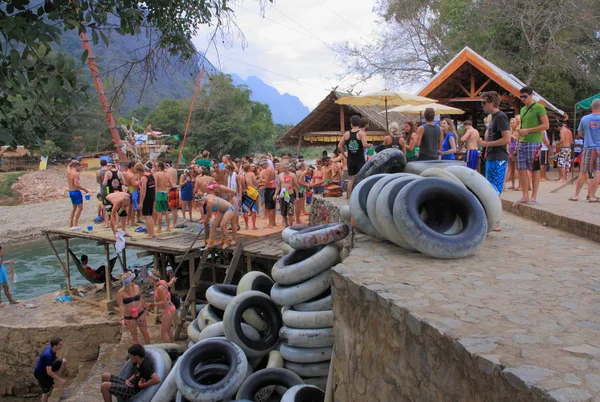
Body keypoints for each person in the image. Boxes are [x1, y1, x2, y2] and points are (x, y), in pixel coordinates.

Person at [478, 91, 510, 230]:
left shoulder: (501, 117)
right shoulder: (493, 118)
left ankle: (497, 222)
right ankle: (493, 219)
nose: (482, 105)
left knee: (495, 190)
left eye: (484, 102)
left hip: (499, 157)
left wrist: (487, 145)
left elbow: (506, 139)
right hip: (492, 156)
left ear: (492, 103)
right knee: (491, 189)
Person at [516, 86, 549, 204]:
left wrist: (529, 130)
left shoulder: (539, 108)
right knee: (521, 169)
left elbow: (546, 125)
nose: (523, 99)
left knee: (535, 169)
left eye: (525, 96)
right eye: (521, 97)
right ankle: (525, 195)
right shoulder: (522, 110)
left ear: (531, 95)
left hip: (534, 142)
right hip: (522, 142)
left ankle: (533, 196)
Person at [570, 99, 600, 202]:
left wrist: (587, 136)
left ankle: (576, 195)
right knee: (598, 172)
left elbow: (579, 134)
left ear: (592, 107)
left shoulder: (585, 119)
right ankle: (592, 196)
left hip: (588, 147)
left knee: (583, 172)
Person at [338, 115, 369, 198]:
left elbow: (339, 146)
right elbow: (364, 145)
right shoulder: (362, 133)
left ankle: (348, 197)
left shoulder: (346, 134)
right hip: (359, 159)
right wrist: (369, 145)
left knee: (351, 180)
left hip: (350, 159)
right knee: (361, 179)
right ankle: (360, 197)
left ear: (351, 124)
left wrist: (345, 155)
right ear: (359, 123)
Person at [117, 272, 150, 345]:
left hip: (140, 313)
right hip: (129, 317)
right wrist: (122, 318)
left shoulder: (136, 287)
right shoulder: (121, 292)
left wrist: (145, 309)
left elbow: (141, 298)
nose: (134, 281)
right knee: (134, 335)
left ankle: (149, 347)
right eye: (132, 280)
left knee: (145, 332)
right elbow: (121, 305)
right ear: (128, 282)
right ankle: (137, 353)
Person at [147, 270, 177, 342]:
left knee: (163, 332)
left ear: (153, 278)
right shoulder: (162, 282)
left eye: (149, 278)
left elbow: (164, 301)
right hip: (172, 308)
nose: (148, 279)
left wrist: (153, 304)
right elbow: (169, 284)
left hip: (167, 310)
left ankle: (169, 348)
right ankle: (172, 345)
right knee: (168, 329)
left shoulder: (159, 288)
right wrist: (172, 280)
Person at [34, 337, 67, 402]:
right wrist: (60, 380)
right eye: (60, 345)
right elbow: (49, 372)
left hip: (48, 367)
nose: (62, 346)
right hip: (41, 374)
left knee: (64, 361)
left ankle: (55, 380)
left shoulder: (51, 348)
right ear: (55, 346)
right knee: (47, 392)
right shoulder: (48, 355)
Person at [135, 163, 155, 239]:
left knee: (147, 216)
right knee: (150, 216)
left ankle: (150, 234)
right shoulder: (151, 175)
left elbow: (143, 191)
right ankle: (152, 233)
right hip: (151, 197)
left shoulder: (143, 178)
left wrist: (141, 202)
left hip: (146, 198)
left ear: (138, 171)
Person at [67, 161, 89, 230]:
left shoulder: (69, 172)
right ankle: (75, 224)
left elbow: (68, 166)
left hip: (70, 192)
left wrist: (72, 162)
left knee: (74, 207)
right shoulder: (76, 173)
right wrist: (84, 189)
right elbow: (76, 185)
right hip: (76, 192)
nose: (80, 168)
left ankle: (71, 224)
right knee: (80, 208)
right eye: (80, 167)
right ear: (76, 166)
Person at [153, 162, 173, 233]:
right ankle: (168, 227)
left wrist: (155, 196)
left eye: (156, 166)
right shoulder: (167, 174)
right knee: (166, 211)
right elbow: (171, 185)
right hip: (165, 193)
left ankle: (159, 229)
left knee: (159, 212)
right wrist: (166, 189)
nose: (155, 167)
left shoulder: (156, 174)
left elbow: (155, 185)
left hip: (159, 193)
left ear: (159, 167)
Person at [261, 161, 277, 228]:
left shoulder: (267, 170)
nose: (262, 167)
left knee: (269, 207)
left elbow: (266, 181)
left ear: (265, 164)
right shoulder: (272, 169)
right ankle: (273, 222)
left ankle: (270, 223)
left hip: (269, 189)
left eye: (262, 165)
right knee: (273, 207)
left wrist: (260, 179)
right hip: (273, 188)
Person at [165, 160, 180, 227]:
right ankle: (175, 222)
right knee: (175, 208)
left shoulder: (169, 171)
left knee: (173, 208)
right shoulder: (174, 170)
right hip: (176, 188)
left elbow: (170, 182)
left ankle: (174, 223)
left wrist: (167, 192)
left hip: (171, 189)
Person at [507, 118, 520, 190]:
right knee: (511, 168)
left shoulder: (518, 132)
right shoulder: (509, 132)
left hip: (516, 150)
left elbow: (518, 141)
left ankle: (519, 184)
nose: (512, 124)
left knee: (517, 168)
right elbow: (508, 142)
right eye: (511, 123)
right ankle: (512, 184)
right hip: (510, 150)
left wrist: (515, 150)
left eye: (513, 122)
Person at [96, 160, 110, 227]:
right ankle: (112, 220)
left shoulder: (98, 172)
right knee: (112, 206)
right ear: (106, 164)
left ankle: (106, 222)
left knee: (104, 206)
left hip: (103, 190)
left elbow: (98, 181)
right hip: (110, 190)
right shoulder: (109, 171)